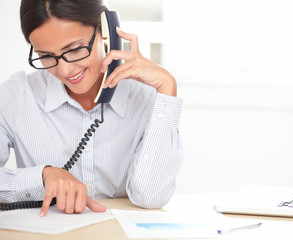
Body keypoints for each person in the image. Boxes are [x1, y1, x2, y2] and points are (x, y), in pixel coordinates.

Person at [0, 0, 183, 216]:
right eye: (46, 56)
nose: (65, 70)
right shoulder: (17, 95)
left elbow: (151, 196)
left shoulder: (145, 97)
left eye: (76, 49)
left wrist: (167, 87)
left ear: (106, 32)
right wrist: (41, 177)